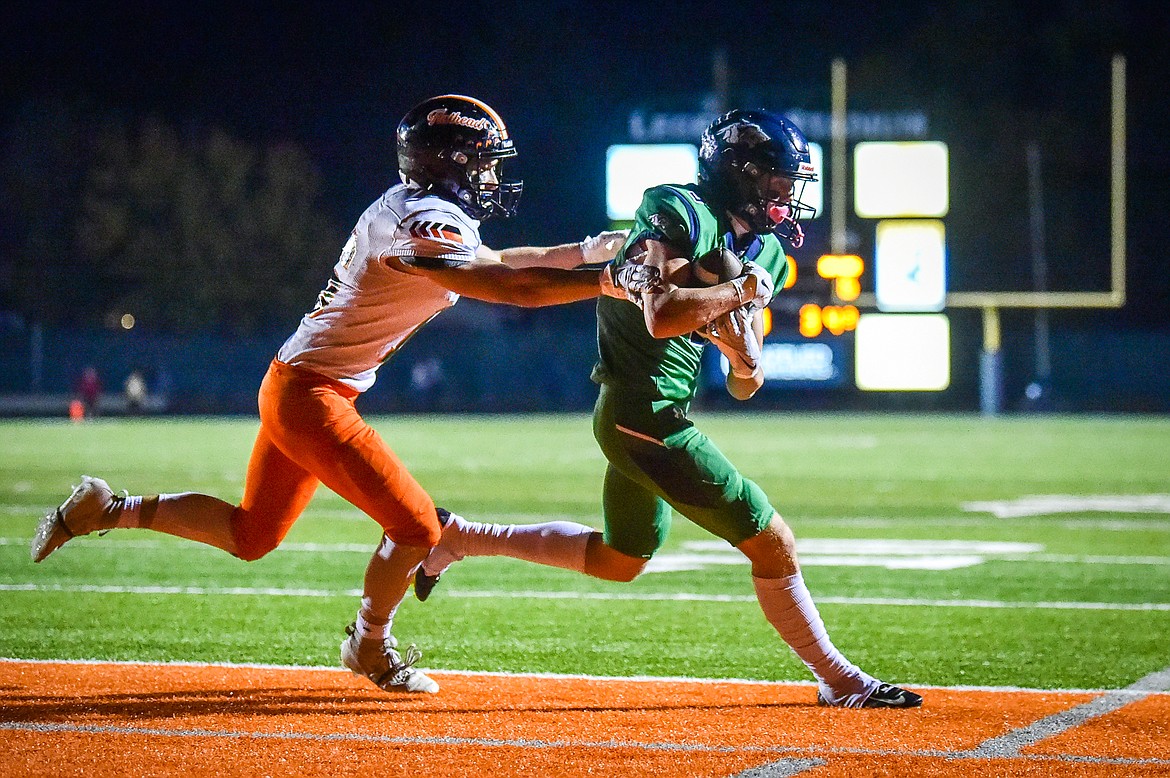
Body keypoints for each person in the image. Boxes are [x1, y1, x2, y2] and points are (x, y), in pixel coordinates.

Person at [31, 94, 655, 695]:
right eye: (484, 160)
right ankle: (368, 645)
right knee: (414, 527)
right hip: (312, 395)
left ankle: (107, 510)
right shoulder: (424, 223)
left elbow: (496, 261)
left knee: (252, 534)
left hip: (297, 384)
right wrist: (608, 281)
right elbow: (509, 288)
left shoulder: (417, 212)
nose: (491, 175)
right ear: (452, 160)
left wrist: (583, 252)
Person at [409, 109, 923, 709]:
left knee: (619, 558)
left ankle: (460, 537)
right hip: (640, 413)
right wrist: (737, 291)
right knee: (772, 541)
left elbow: (743, 386)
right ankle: (840, 680)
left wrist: (744, 353)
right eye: (779, 184)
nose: (788, 200)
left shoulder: (770, 256)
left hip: (654, 414)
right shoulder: (677, 208)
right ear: (743, 176)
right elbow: (662, 316)